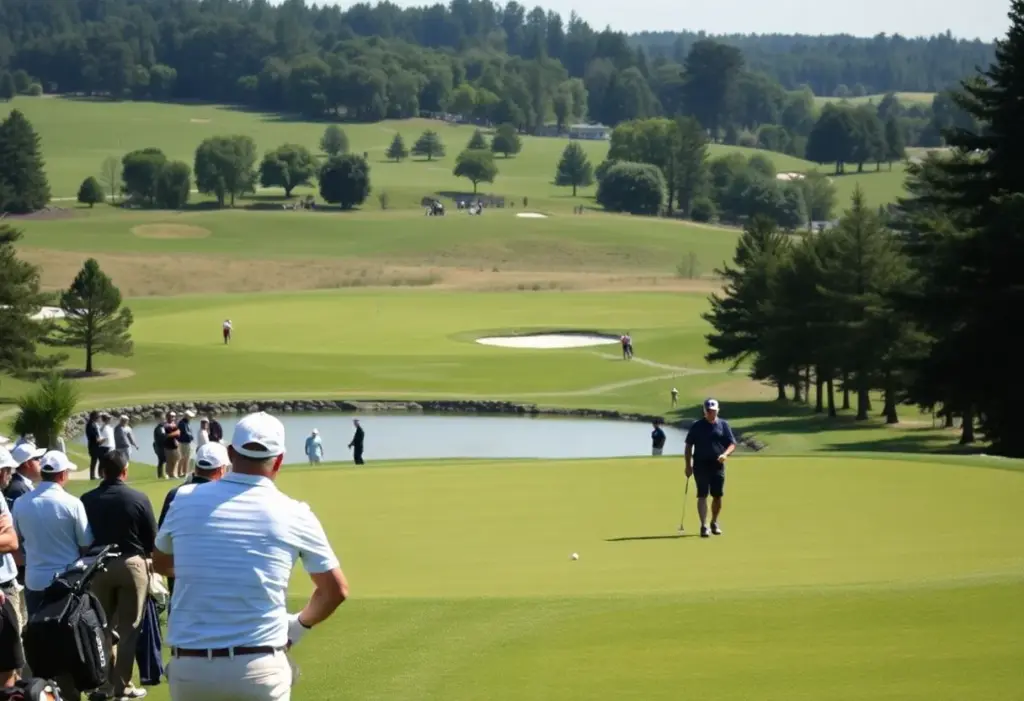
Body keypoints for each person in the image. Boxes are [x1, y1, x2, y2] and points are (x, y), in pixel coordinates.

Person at [153, 412, 348, 701]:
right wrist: (297, 627)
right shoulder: (295, 512)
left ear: (230, 453)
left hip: (191, 671)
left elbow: (161, 563)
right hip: (260, 668)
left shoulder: (184, 499)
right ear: (279, 460)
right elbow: (335, 591)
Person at [12, 450, 93, 701]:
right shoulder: (72, 503)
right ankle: (68, 693)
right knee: (70, 643)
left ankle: (45, 693)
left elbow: (18, 543)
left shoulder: (22, 503)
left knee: (42, 644)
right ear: (62, 474)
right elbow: (85, 544)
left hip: (35, 582)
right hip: (67, 585)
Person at [81, 451, 156, 701]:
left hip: (98, 565)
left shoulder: (87, 499)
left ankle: (103, 685)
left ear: (102, 471)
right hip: (131, 565)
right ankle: (122, 686)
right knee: (129, 629)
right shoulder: (138, 497)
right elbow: (151, 540)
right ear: (125, 470)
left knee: (101, 627)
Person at [156, 442, 231, 602]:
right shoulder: (227, 497)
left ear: (196, 466)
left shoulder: (175, 494)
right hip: (216, 583)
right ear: (221, 469)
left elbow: (161, 542)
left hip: (179, 582)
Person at [683, 399, 737, 538]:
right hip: (700, 465)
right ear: (704, 411)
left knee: (717, 496)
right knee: (702, 495)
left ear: (717, 410)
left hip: (717, 465)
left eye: (713, 410)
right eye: (708, 411)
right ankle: (703, 526)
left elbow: (732, 444)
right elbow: (688, 446)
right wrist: (688, 465)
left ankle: (714, 522)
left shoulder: (723, 425)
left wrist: (725, 454)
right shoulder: (697, 426)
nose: (711, 413)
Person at [0, 447, 26, 686]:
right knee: (9, 666)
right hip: (3, 592)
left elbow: (11, 539)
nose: (10, 475)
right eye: (8, 470)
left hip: (8, 585)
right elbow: (9, 540)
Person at [176, 410, 197, 479]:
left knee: (186, 458)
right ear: (186, 416)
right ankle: (180, 473)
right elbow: (186, 433)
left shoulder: (186, 423)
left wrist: (191, 437)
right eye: (190, 417)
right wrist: (191, 437)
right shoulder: (182, 423)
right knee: (184, 458)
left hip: (186, 443)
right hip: (183, 443)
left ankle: (184, 472)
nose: (191, 418)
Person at [161, 412, 182, 480]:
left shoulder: (174, 425)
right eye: (171, 416)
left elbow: (178, 433)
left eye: (174, 416)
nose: (173, 418)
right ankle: (169, 474)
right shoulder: (165, 425)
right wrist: (175, 433)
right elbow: (166, 435)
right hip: (168, 446)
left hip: (175, 445)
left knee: (176, 460)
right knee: (169, 461)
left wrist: (174, 433)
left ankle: (173, 474)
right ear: (167, 416)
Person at [85, 411, 102, 480]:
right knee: (94, 460)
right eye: (97, 417)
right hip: (93, 445)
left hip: (96, 445)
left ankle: (99, 474)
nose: (98, 418)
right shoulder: (90, 425)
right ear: (94, 417)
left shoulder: (93, 424)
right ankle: (92, 476)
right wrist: (98, 440)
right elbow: (92, 436)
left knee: (99, 460)